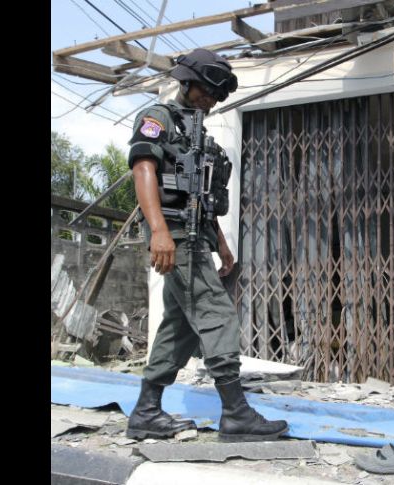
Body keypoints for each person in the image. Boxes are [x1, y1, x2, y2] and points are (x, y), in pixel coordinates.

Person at [124, 48, 288, 442]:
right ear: (187, 81)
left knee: (180, 328)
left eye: (216, 96)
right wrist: (159, 230)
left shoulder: (196, 132)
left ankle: (146, 412)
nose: (210, 100)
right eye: (207, 91)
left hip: (196, 234)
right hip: (175, 236)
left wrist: (221, 244)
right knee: (217, 313)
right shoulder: (158, 117)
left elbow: (200, 195)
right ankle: (235, 413)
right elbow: (143, 167)